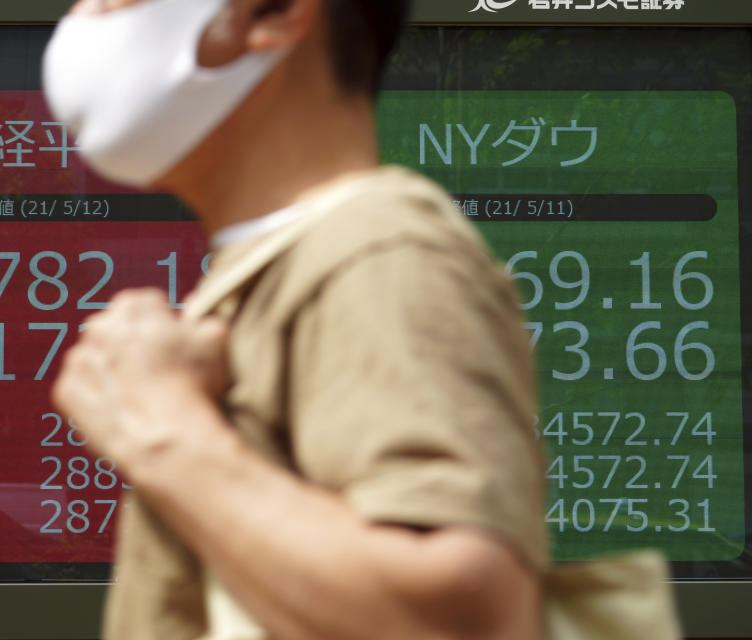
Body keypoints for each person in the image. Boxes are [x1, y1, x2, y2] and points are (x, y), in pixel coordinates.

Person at [44, 1, 677, 639]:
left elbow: (468, 618)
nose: (86, 20)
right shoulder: (296, 259)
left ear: (275, 13)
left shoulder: (376, 250)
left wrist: (160, 429)